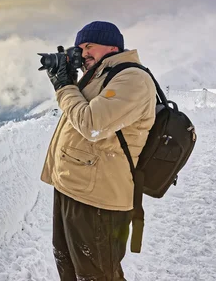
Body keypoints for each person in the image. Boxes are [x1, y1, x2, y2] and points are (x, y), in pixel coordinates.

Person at [40, 21, 157, 280]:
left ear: (113, 46)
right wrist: (70, 79)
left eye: (90, 46)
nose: (83, 54)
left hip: (99, 200)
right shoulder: (101, 76)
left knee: (98, 274)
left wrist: (64, 86)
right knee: (68, 264)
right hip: (74, 190)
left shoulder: (132, 78)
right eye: (80, 48)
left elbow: (92, 124)